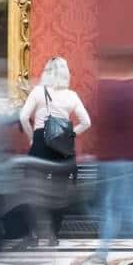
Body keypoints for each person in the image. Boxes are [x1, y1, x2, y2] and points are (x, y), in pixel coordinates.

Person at [87, 47, 133, 265]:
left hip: (116, 160)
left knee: (114, 207)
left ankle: (103, 254)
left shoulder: (111, 90)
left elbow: (102, 125)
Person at [18, 56, 91, 246]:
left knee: (33, 191)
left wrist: (32, 138)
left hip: (40, 145)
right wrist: (69, 135)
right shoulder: (72, 96)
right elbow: (86, 122)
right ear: (65, 73)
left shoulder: (38, 92)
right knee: (58, 194)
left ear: (47, 72)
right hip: (61, 149)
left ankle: (31, 236)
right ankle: (52, 236)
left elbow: (24, 117)